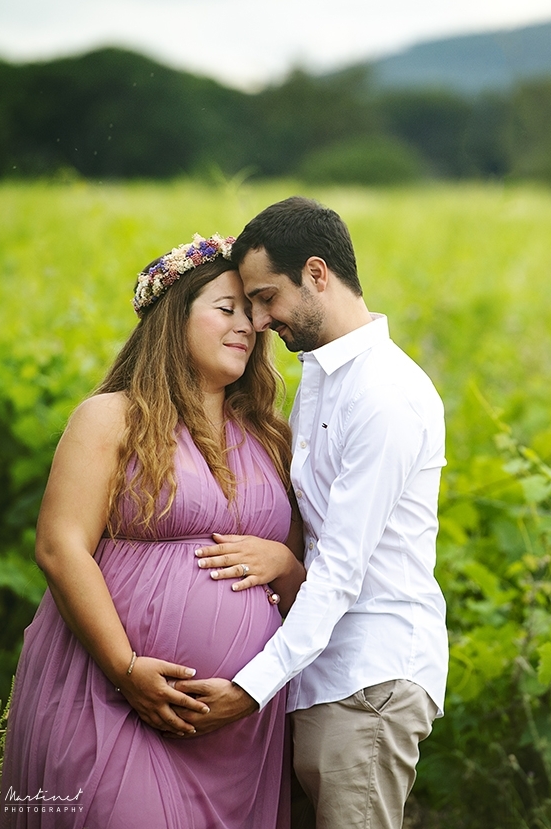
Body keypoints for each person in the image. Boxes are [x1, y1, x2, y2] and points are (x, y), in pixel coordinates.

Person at [0, 234, 305, 828]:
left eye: (254, 314)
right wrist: (125, 667)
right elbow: (60, 547)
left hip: (240, 731)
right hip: (112, 696)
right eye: (226, 309)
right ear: (172, 317)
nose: (248, 325)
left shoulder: (272, 437)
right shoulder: (112, 417)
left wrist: (286, 567)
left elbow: (306, 579)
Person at [174, 197, 448, 829]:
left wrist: (246, 691)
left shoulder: (386, 395)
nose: (262, 320)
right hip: (317, 678)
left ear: (317, 274)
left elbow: (342, 570)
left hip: (368, 678)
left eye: (268, 298)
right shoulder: (322, 379)